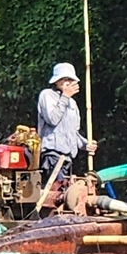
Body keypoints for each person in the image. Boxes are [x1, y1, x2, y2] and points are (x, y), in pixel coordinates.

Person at [36, 63, 96, 212]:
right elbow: (53, 119)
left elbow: (72, 132)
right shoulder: (46, 95)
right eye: (64, 79)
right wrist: (65, 96)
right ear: (56, 81)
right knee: (54, 195)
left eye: (70, 79)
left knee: (66, 194)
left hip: (68, 157)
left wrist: (85, 144)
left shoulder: (73, 104)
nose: (67, 82)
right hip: (53, 155)